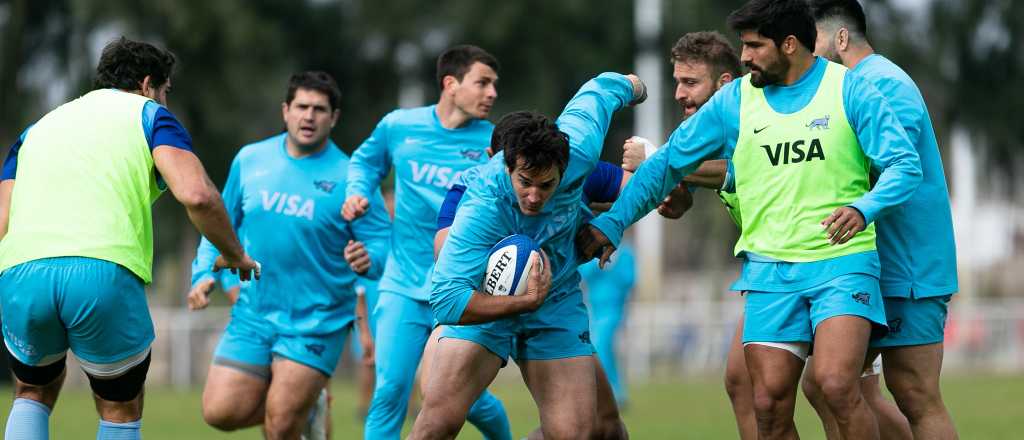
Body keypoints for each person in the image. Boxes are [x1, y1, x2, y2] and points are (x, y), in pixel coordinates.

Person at [577, 1, 925, 438]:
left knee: (837, 386)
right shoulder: (735, 100)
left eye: (754, 46)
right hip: (768, 272)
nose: (743, 58)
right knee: (767, 404)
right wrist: (613, 223)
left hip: (842, 265)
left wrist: (864, 208)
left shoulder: (848, 90)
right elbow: (666, 163)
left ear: (790, 44)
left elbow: (905, 167)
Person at [0, 36, 258, 440]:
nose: (165, 101)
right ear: (148, 84)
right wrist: (234, 253)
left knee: (32, 390)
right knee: (120, 407)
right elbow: (197, 194)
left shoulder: (37, 128)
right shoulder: (150, 115)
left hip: (21, 273)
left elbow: (2, 218)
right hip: (101, 271)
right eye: (165, 92)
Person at [410, 72, 646, 440]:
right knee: (437, 423)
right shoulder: (481, 202)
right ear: (505, 164)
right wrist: (519, 300)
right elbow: (446, 297)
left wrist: (634, 87)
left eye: (546, 184)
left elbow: (601, 91)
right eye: (524, 181)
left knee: (577, 434)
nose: (534, 195)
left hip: (554, 304)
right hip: (483, 302)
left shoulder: (578, 153)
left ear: (565, 170)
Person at [187, 71, 391, 439]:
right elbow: (217, 225)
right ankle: (308, 403)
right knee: (219, 412)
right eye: (302, 107)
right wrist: (204, 273)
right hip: (254, 312)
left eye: (319, 109)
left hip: (318, 320)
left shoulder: (352, 177)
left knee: (281, 425)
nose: (309, 116)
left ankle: (299, 403)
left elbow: (381, 243)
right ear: (286, 111)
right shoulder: (251, 160)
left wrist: (369, 259)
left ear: (334, 117)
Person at [800, 2, 959, 439]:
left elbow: (897, 167)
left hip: (907, 265)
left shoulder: (884, 83)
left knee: (915, 393)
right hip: (868, 264)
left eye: (812, 42)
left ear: (841, 39)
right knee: (827, 383)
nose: (807, 58)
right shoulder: (850, 85)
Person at [341, 44, 512, 440]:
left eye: (495, 85)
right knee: (389, 392)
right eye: (483, 83)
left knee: (458, 396)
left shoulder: (494, 141)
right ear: (451, 84)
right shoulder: (399, 126)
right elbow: (365, 163)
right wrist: (357, 191)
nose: (492, 93)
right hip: (402, 284)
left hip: (460, 288)